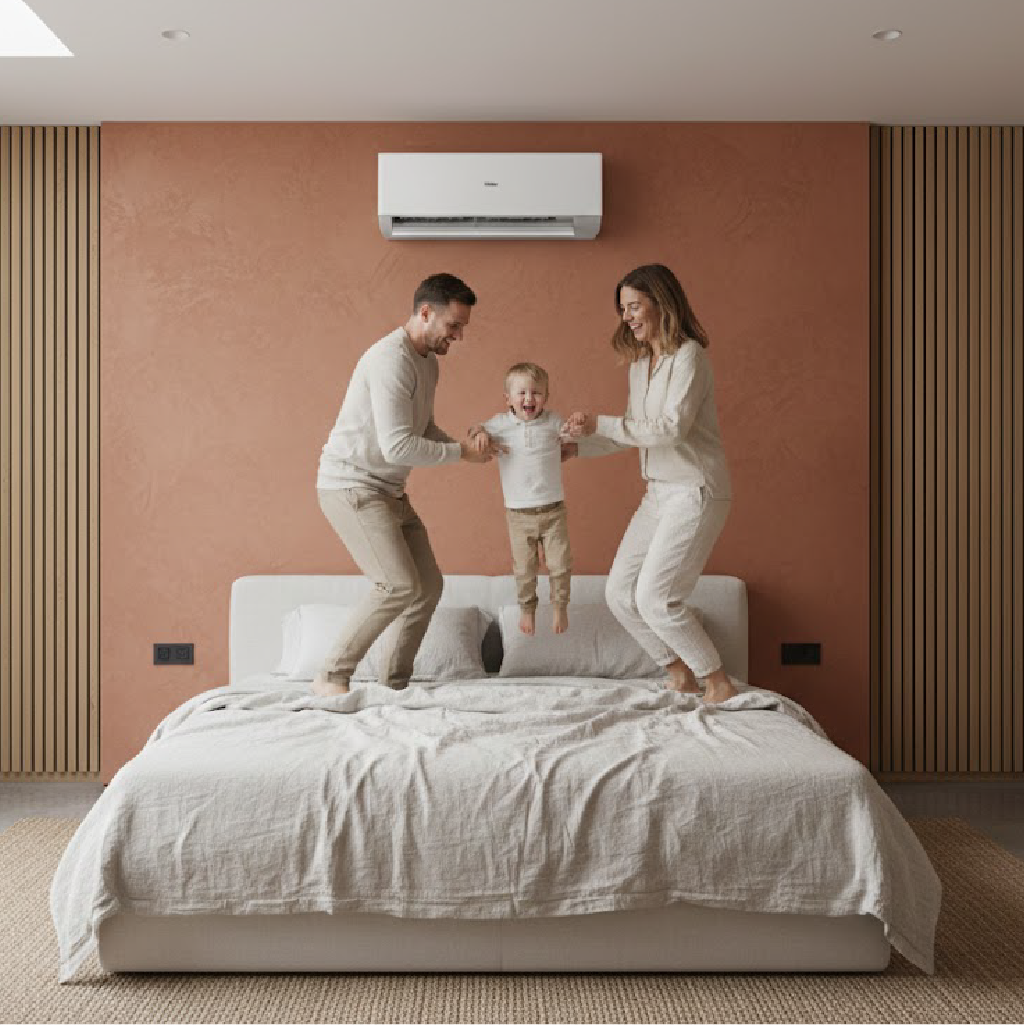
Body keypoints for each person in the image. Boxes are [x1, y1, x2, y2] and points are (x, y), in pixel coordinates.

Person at [313, 273, 501, 696]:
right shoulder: (390, 360)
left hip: (389, 491)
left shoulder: (427, 362)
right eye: (454, 326)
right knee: (396, 585)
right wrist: (462, 455)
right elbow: (398, 446)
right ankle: (330, 674)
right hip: (353, 487)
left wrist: (463, 448)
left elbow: (423, 427)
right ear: (425, 313)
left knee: (427, 586)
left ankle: (393, 684)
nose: (459, 336)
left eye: (463, 327)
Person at [563, 263, 738, 704]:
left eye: (635, 305)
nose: (627, 316)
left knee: (656, 598)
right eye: (623, 308)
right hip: (658, 491)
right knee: (619, 593)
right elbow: (637, 431)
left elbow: (669, 429)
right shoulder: (640, 366)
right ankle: (679, 673)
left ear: (662, 303)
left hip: (695, 490)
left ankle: (717, 682)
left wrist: (598, 422)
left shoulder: (690, 357)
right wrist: (578, 448)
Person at [470, 362, 574, 636]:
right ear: (508, 399)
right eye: (522, 393)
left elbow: (571, 436)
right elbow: (474, 428)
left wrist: (575, 430)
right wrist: (479, 434)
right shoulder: (500, 425)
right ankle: (527, 609)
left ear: (546, 397)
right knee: (525, 569)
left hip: (553, 511)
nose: (529, 399)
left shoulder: (553, 421)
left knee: (560, 564)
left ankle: (560, 606)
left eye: (537, 393)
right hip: (518, 514)